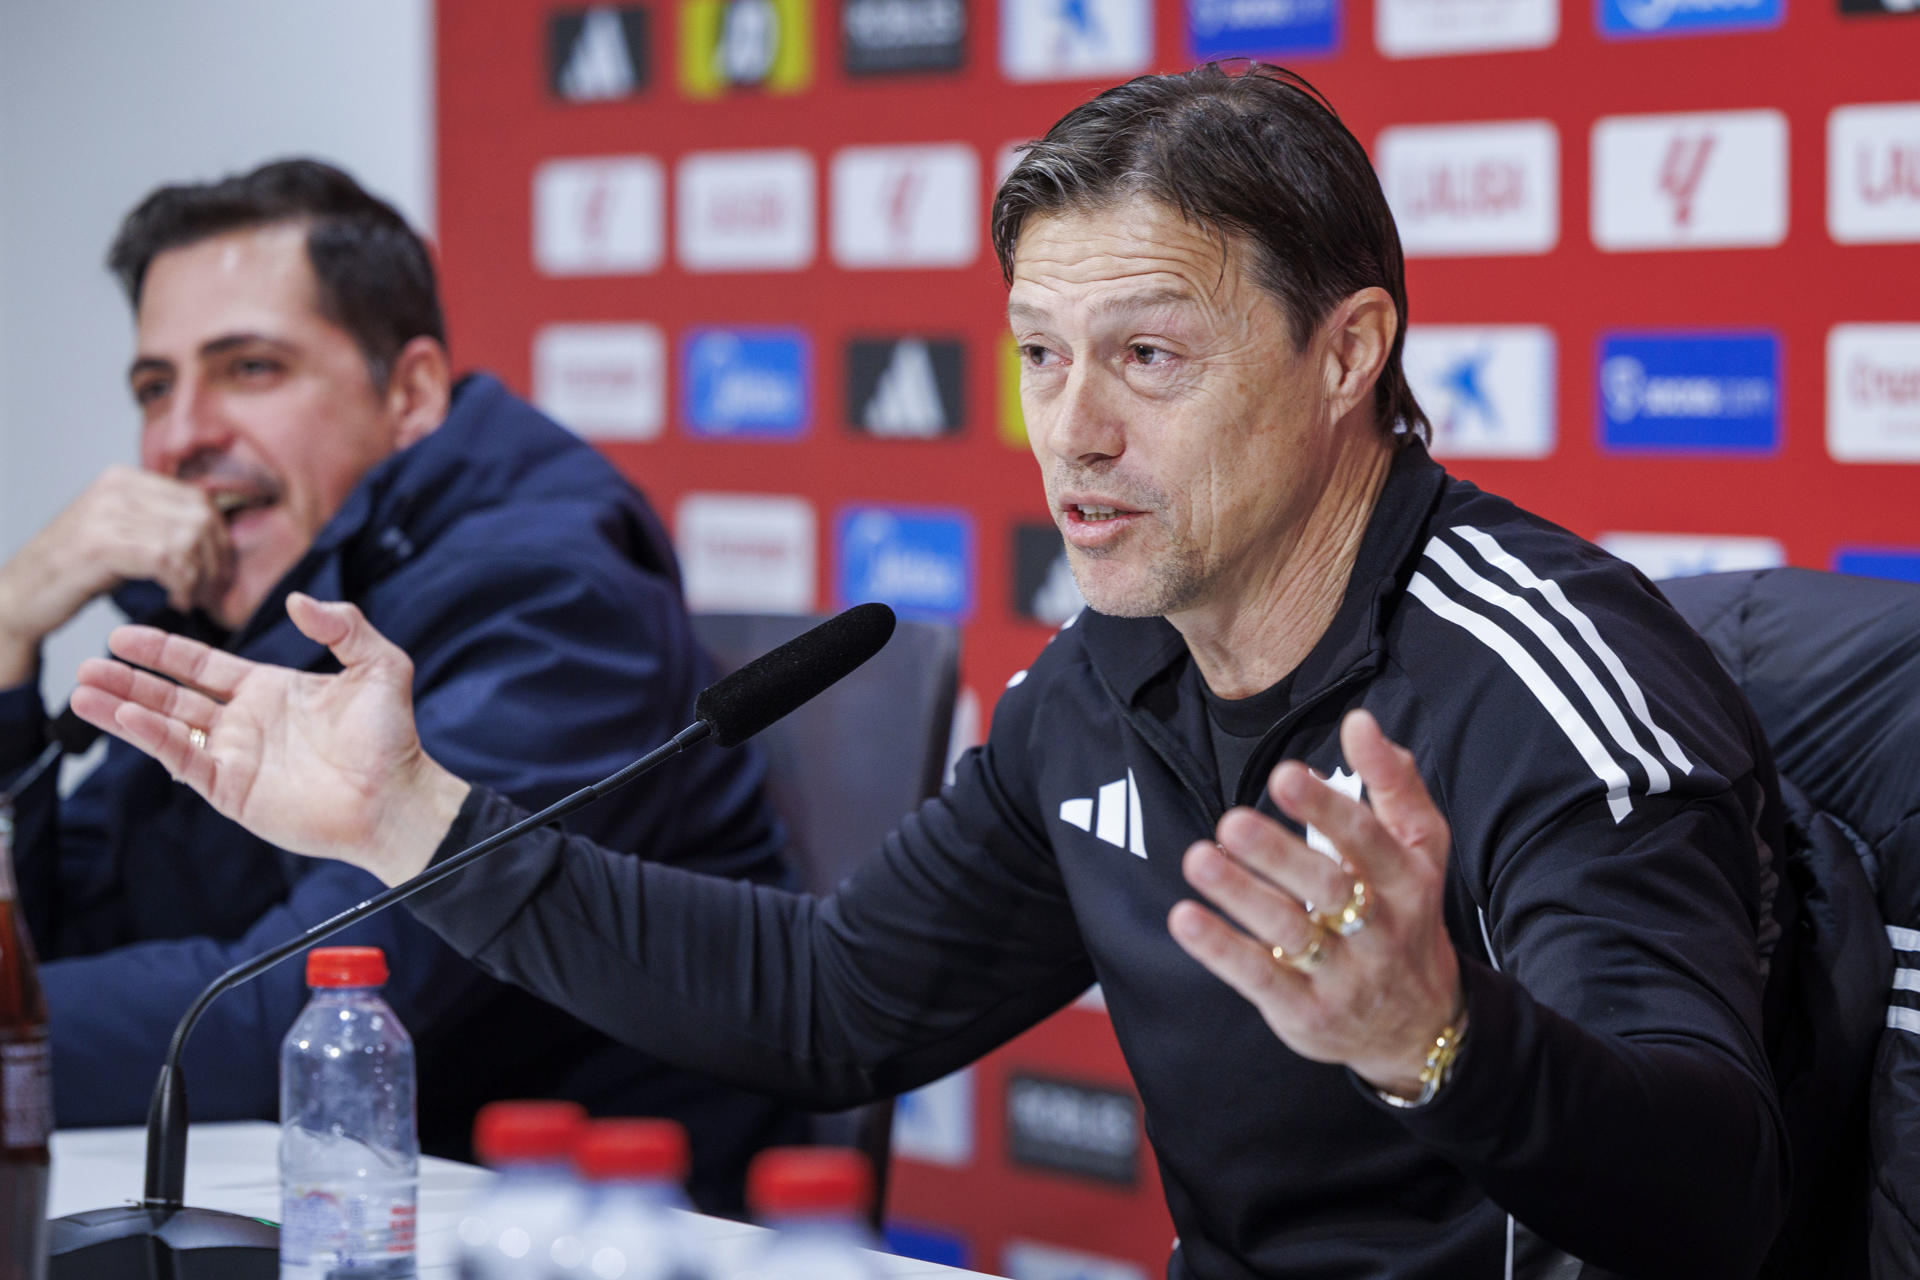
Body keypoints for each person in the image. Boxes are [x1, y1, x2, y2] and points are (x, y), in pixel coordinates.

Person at [74, 70, 1790, 1276]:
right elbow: (831, 1007)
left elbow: (1720, 1192)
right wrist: (415, 820)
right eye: (1041, 354)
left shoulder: (1539, 677)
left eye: (1148, 355)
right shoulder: (1105, 684)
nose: (1074, 432)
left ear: (1347, 354)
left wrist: (1441, 1043)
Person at [0, 159, 799, 1211]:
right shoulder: (252, 596)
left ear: (410, 392)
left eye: (249, 368)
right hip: (332, 1206)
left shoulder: (549, 600)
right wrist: (4, 641)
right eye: (156, 387)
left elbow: (303, 1012)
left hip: (581, 1234)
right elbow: (54, 940)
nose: (181, 435)